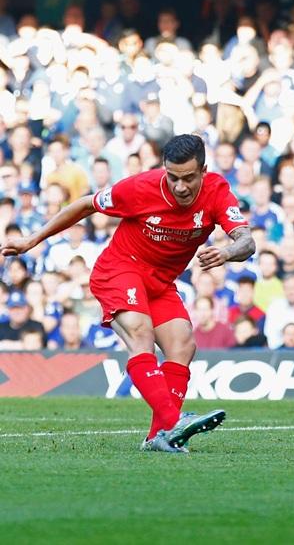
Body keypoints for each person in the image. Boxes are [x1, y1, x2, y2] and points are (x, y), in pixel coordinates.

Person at [1, 134, 255, 454]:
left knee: (183, 344)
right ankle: (172, 420)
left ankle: (158, 436)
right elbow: (84, 205)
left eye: (188, 178)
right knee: (140, 332)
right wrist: (32, 240)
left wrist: (229, 252)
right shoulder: (139, 188)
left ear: (203, 170)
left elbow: (247, 241)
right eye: (173, 177)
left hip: (160, 282)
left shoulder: (217, 192)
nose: (179, 187)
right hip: (120, 269)